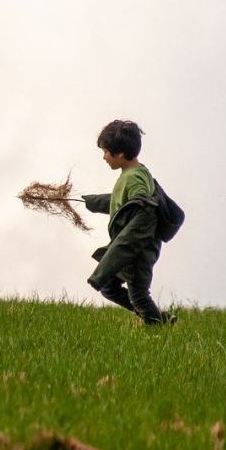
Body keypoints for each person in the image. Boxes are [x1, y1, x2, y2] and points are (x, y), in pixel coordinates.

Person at [82, 120, 184, 325]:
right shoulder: (133, 173)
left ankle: (157, 329)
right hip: (131, 249)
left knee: (138, 294)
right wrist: (92, 202)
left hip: (138, 250)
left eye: (106, 152)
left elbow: (144, 210)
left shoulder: (135, 178)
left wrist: (101, 272)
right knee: (110, 287)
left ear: (119, 154)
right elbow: (124, 202)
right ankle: (158, 318)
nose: (104, 157)